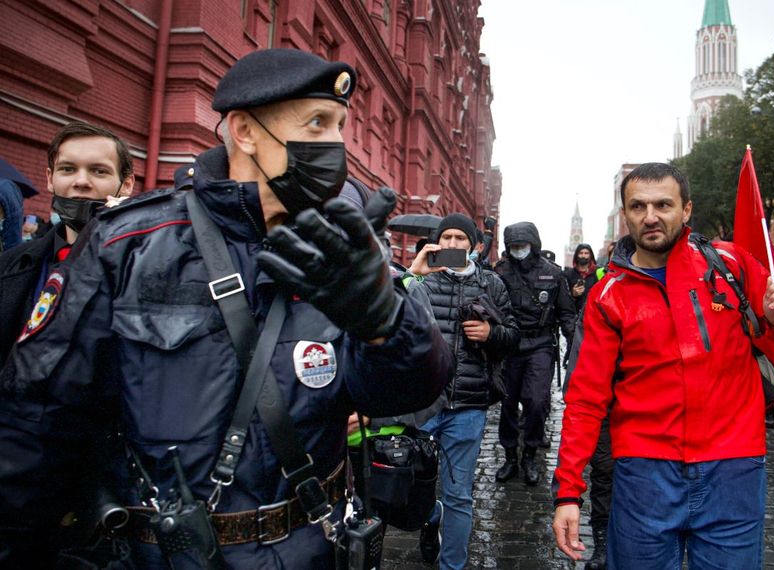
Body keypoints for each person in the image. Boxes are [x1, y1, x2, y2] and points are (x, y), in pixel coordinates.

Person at [0, 48, 454, 569]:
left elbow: (412, 391)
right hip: (165, 554)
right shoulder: (128, 244)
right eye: (315, 123)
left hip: (312, 548)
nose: (333, 143)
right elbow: (35, 423)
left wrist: (385, 322)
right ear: (244, 131)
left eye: (339, 127)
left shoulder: (345, 247)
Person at [552, 162, 774, 568]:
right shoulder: (607, 295)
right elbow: (585, 399)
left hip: (734, 469)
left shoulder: (731, 265)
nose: (650, 217)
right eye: (638, 206)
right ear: (625, 215)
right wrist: (568, 490)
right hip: (645, 474)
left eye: (663, 205)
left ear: (686, 209)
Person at [406, 213, 519, 570]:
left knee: (459, 496)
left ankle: (451, 565)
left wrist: (491, 335)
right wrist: (413, 274)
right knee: (412, 488)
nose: (453, 244)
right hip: (424, 402)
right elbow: (389, 322)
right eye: (447, 238)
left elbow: (514, 336)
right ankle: (430, 515)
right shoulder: (423, 282)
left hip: (469, 406)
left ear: (475, 245)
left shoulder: (493, 285)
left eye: (460, 238)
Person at [0, 122, 135, 367]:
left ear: (126, 184)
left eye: (99, 171)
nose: (81, 181)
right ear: (50, 179)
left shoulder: (150, 265)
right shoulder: (9, 266)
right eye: (68, 169)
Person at [494, 222, 575, 485]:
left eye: (523, 245)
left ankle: (529, 454)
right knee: (506, 402)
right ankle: (510, 457)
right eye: (514, 246)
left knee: (537, 401)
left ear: (533, 245)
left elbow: (566, 313)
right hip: (509, 345)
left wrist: (574, 345)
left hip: (540, 345)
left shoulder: (553, 273)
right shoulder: (501, 272)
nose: (519, 250)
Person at [563, 243, 598, 313]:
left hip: (592, 313)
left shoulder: (598, 273)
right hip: (574, 314)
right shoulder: (568, 274)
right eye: (581, 253)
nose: (583, 256)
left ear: (590, 255)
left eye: (586, 253)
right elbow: (563, 299)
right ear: (576, 255)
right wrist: (573, 294)